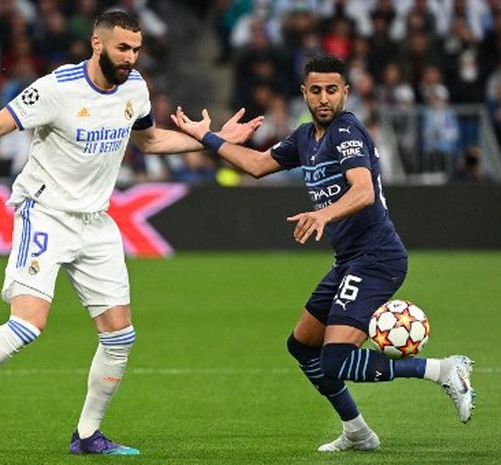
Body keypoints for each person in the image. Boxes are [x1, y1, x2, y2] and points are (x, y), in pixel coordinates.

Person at [0, 10, 262, 456]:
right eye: (123, 48)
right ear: (97, 44)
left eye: (136, 49)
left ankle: (86, 436)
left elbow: (151, 142)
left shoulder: (135, 88)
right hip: (44, 213)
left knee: (120, 336)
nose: (131, 58)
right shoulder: (57, 89)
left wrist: (212, 139)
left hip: (95, 223)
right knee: (27, 324)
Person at [171, 54, 475, 452]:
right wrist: (206, 137)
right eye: (316, 90)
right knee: (302, 346)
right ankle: (357, 432)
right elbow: (258, 165)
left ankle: (442, 370)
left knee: (333, 361)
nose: (324, 98)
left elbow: (364, 191)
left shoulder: (346, 131)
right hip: (350, 260)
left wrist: (322, 213)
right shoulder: (304, 137)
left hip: (377, 257)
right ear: (304, 94)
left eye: (333, 89)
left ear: (346, 92)